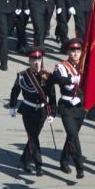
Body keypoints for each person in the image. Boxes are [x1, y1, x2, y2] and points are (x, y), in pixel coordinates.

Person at [9, 47, 66, 176]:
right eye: (34, 59)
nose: (36, 62)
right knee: (33, 137)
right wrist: (12, 106)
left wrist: (53, 112)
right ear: (29, 60)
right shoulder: (23, 75)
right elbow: (15, 91)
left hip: (42, 111)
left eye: (39, 59)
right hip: (28, 110)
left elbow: (52, 95)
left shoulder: (47, 75)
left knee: (33, 138)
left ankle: (25, 159)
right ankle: (38, 165)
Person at [52, 39, 87, 178]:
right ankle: (79, 166)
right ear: (68, 52)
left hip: (80, 106)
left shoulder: (84, 66)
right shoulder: (61, 66)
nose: (76, 54)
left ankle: (64, 160)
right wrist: (71, 80)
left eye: (78, 51)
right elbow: (56, 78)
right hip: (66, 105)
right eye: (73, 51)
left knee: (71, 136)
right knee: (73, 135)